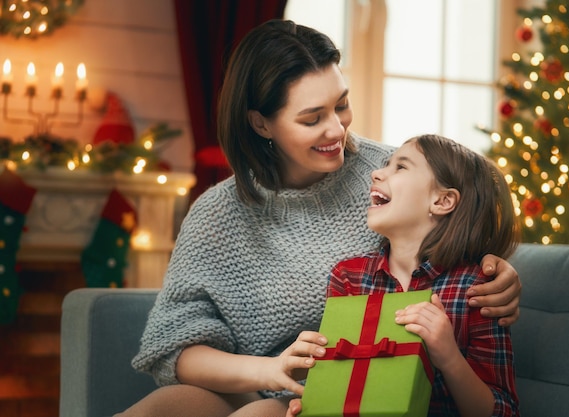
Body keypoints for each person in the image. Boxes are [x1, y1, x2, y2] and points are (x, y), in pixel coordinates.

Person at [115, 20, 522, 417]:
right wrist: (270, 369)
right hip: (260, 388)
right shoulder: (218, 214)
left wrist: (498, 268)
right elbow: (173, 345)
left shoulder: (390, 172)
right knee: (167, 408)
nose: (336, 130)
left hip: (353, 395)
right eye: (312, 119)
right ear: (261, 123)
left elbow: (459, 228)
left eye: (341, 105)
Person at [286, 134, 520, 417]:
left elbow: (503, 411)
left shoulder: (476, 289)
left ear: (443, 201)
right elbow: (340, 388)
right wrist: (312, 404)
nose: (376, 173)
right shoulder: (348, 277)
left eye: (401, 167)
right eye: (387, 164)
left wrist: (448, 357)